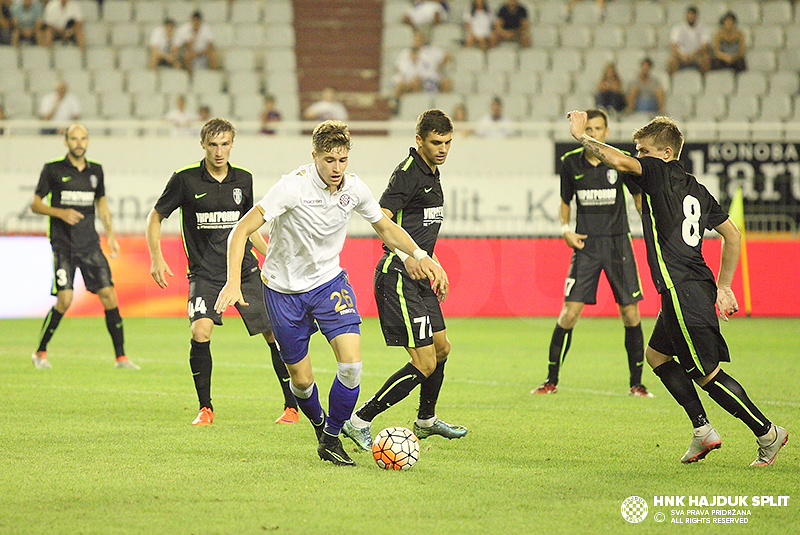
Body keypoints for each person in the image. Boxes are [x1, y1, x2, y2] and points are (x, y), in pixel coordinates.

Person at [214, 120, 448, 466]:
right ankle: (322, 426)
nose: (336, 168)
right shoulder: (291, 188)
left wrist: (419, 255)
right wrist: (233, 281)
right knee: (302, 381)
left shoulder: (354, 189)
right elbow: (241, 230)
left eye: (342, 160)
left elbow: (385, 226)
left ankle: (333, 434)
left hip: (329, 284)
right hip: (283, 292)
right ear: (315, 157)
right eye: (329, 161)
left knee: (352, 365)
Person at [566, 111, 789, 466]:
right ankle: (702, 431)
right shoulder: (696, 188)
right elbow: (732, 234)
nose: (639, 157)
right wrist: (724, 285)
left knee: (707, 374)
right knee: (657, 356)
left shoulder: (656, 172)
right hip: (687, 288)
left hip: (682, 288)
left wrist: (582, 136)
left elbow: (620, 160)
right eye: (638, 151)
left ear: (666, 153)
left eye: (644, 151)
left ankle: (767, 432)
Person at [146, 118, 299, 426]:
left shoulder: (243, 180)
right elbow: (155, 216)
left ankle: (292, 406)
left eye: (225, 144)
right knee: (200, 331)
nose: (219, 151)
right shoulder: (185, 179)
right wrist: (156, 257)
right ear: (203, 145)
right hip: (205, 274)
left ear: (232, 145)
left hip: (244, 271)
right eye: (213, 144)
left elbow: (248, 227)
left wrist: (270, 254)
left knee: (275, 335)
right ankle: (205, 408)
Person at [342, 109, 466, 453]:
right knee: (424, 361)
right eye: (436, 142)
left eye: (448, 142)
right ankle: (359, 421)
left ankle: (426, 421)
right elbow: (381, 217)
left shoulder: (432, 173)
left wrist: (435, 266)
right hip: (397, 277)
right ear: (419, 141)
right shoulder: (409, 173)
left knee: (441, 349)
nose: (443, 149)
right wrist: (406, 256)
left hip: (421, 277)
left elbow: (420, 233)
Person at [532, 109, 651, 397]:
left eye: (599, 129)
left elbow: (637, 197)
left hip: (617, 244)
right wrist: (565, 230)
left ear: (606, 132)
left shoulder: (619, 161)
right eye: (590, 128)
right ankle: (551, 381)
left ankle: (636, 384)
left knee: (630, 313)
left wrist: (649, 224)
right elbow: (565, 201)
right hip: (585, 246)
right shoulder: (570, 163)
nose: (595, 134)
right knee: (569, 314)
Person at [29, 124, 137, 370]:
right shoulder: (53, 170)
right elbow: (35, 204)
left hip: (90, 244)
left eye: (83, 138)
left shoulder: (95, 171)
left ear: (87, 141)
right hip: (63, 245)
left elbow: (101, 203)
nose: (79, 142)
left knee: (109, 295)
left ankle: (121, 357)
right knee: (65, 300)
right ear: (66, 142)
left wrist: (110, 235)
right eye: (74, 138)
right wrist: (60, 212)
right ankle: (40, 351)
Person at [668, 5, 710, 75]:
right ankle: (672, 82)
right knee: (672, 60)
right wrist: (682, 55)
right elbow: (674, 46)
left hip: (697, 55)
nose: (691, 16)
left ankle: (705, 82)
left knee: (706, 59)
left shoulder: (704, 28)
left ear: (696, 16)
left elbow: (704, 46)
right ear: (686, 15)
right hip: (681, 56)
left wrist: (694, 54)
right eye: (689, 14)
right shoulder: (678, 28)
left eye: (693, 14)